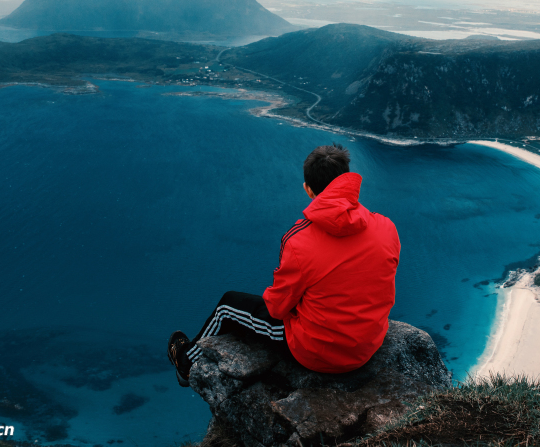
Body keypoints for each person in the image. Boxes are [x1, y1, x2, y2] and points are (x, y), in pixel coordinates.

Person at [167, 143, 400, 385]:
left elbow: (277, 308)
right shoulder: (386, 227)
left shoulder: (299, 240)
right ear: (348, 182)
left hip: (318, 353)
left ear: (308, 190)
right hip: (369, 343)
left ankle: (186, 364)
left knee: (228, 306)